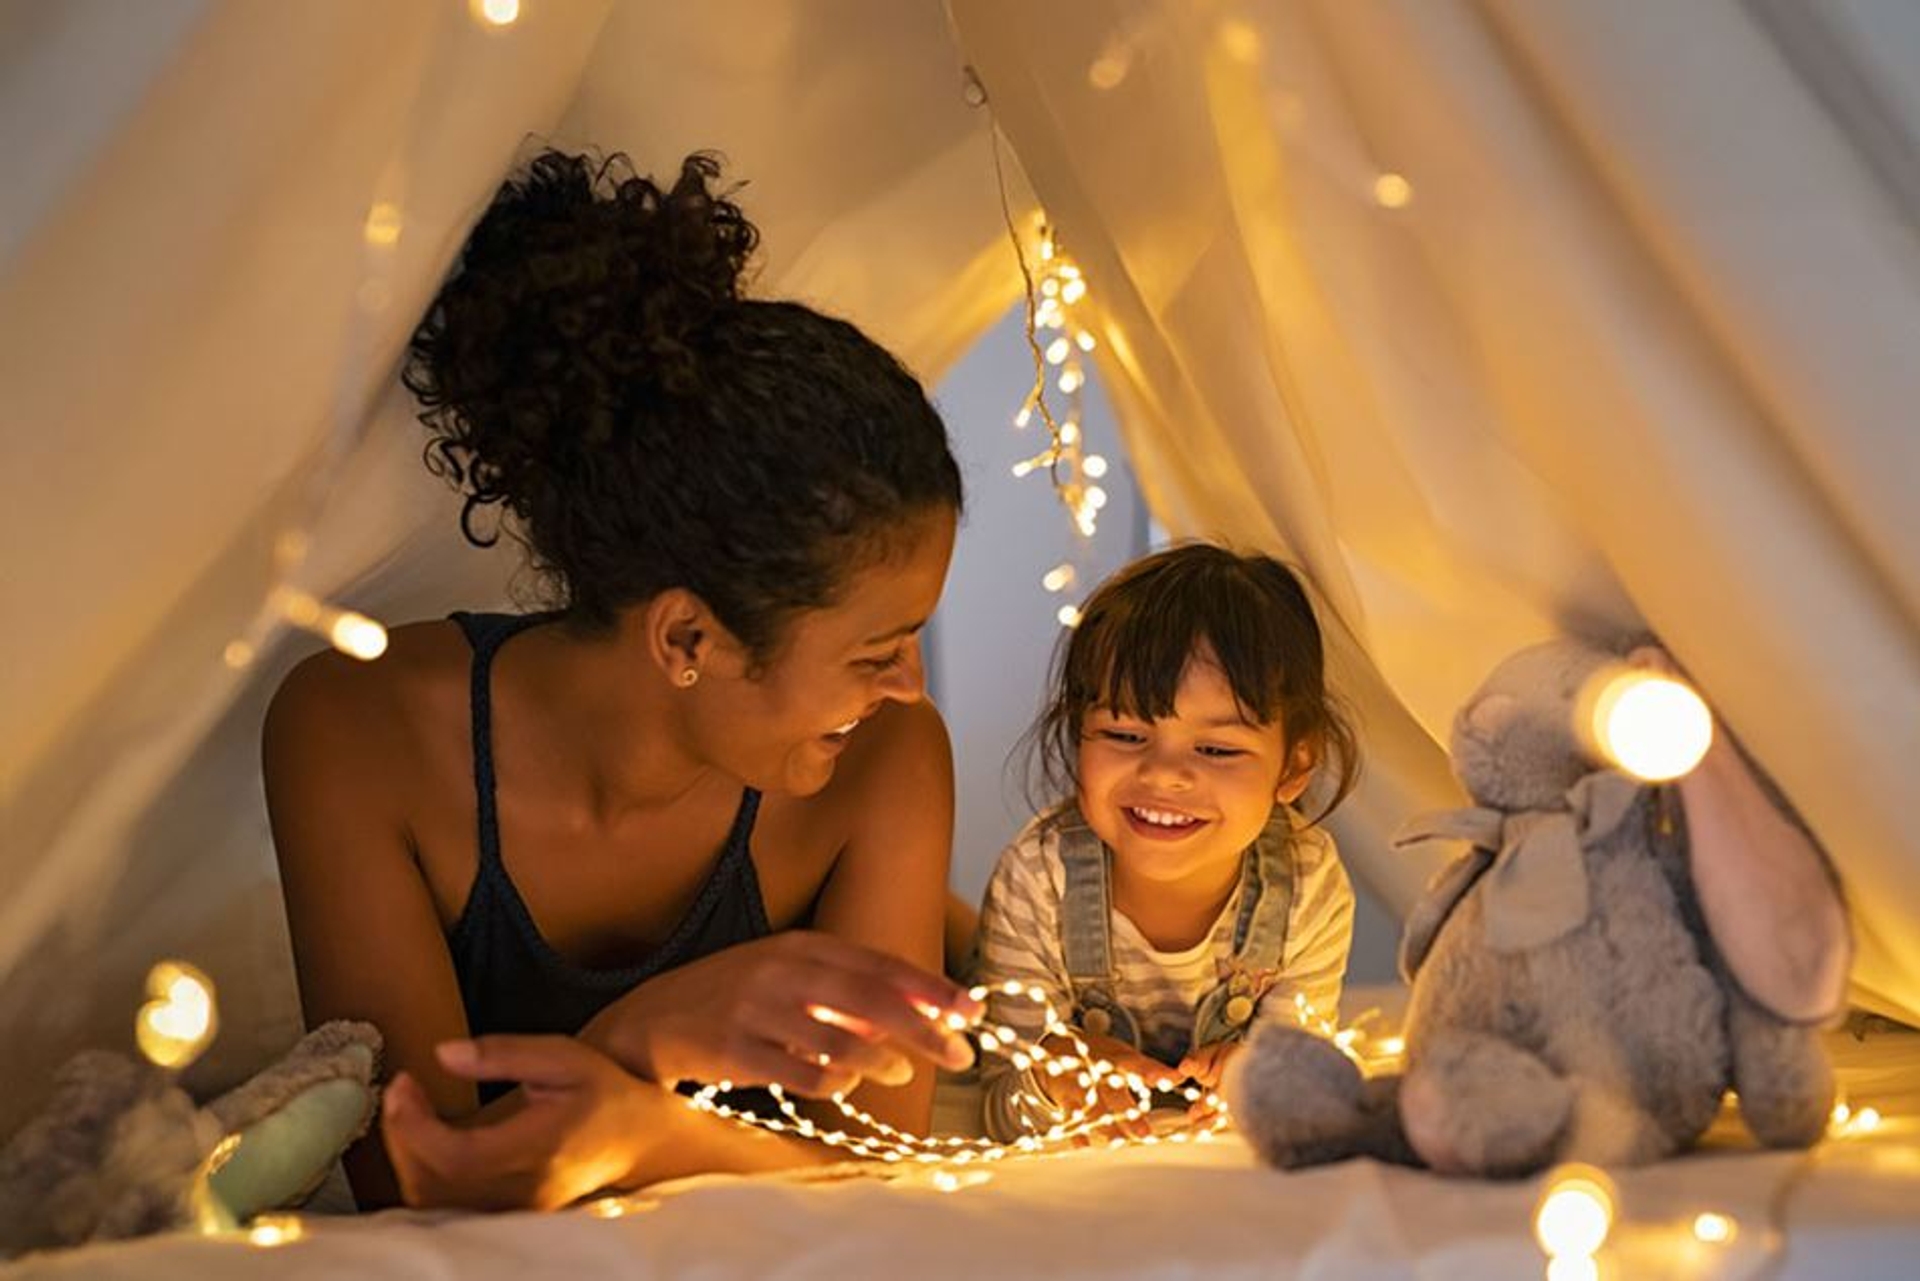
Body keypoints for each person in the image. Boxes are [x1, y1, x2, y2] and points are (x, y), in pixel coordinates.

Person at [264, 149, 982, 1212]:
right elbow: (418, 1184)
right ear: (688, 637)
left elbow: (882, 1186)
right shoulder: (358, 732)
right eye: (876, 652)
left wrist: (642, 1124)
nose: (910, 687)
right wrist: (645, 1037)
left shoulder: (882, 764)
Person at [976, 544, 1359, 1140]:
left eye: (1217, 749)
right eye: (1124, 734)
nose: (1163, 775)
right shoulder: (1038, 878)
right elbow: (999, 1106)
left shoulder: (1307, 884)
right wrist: (1056, 1080)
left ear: (1294, 764)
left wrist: (1260, 1085)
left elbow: (1302, 1088)